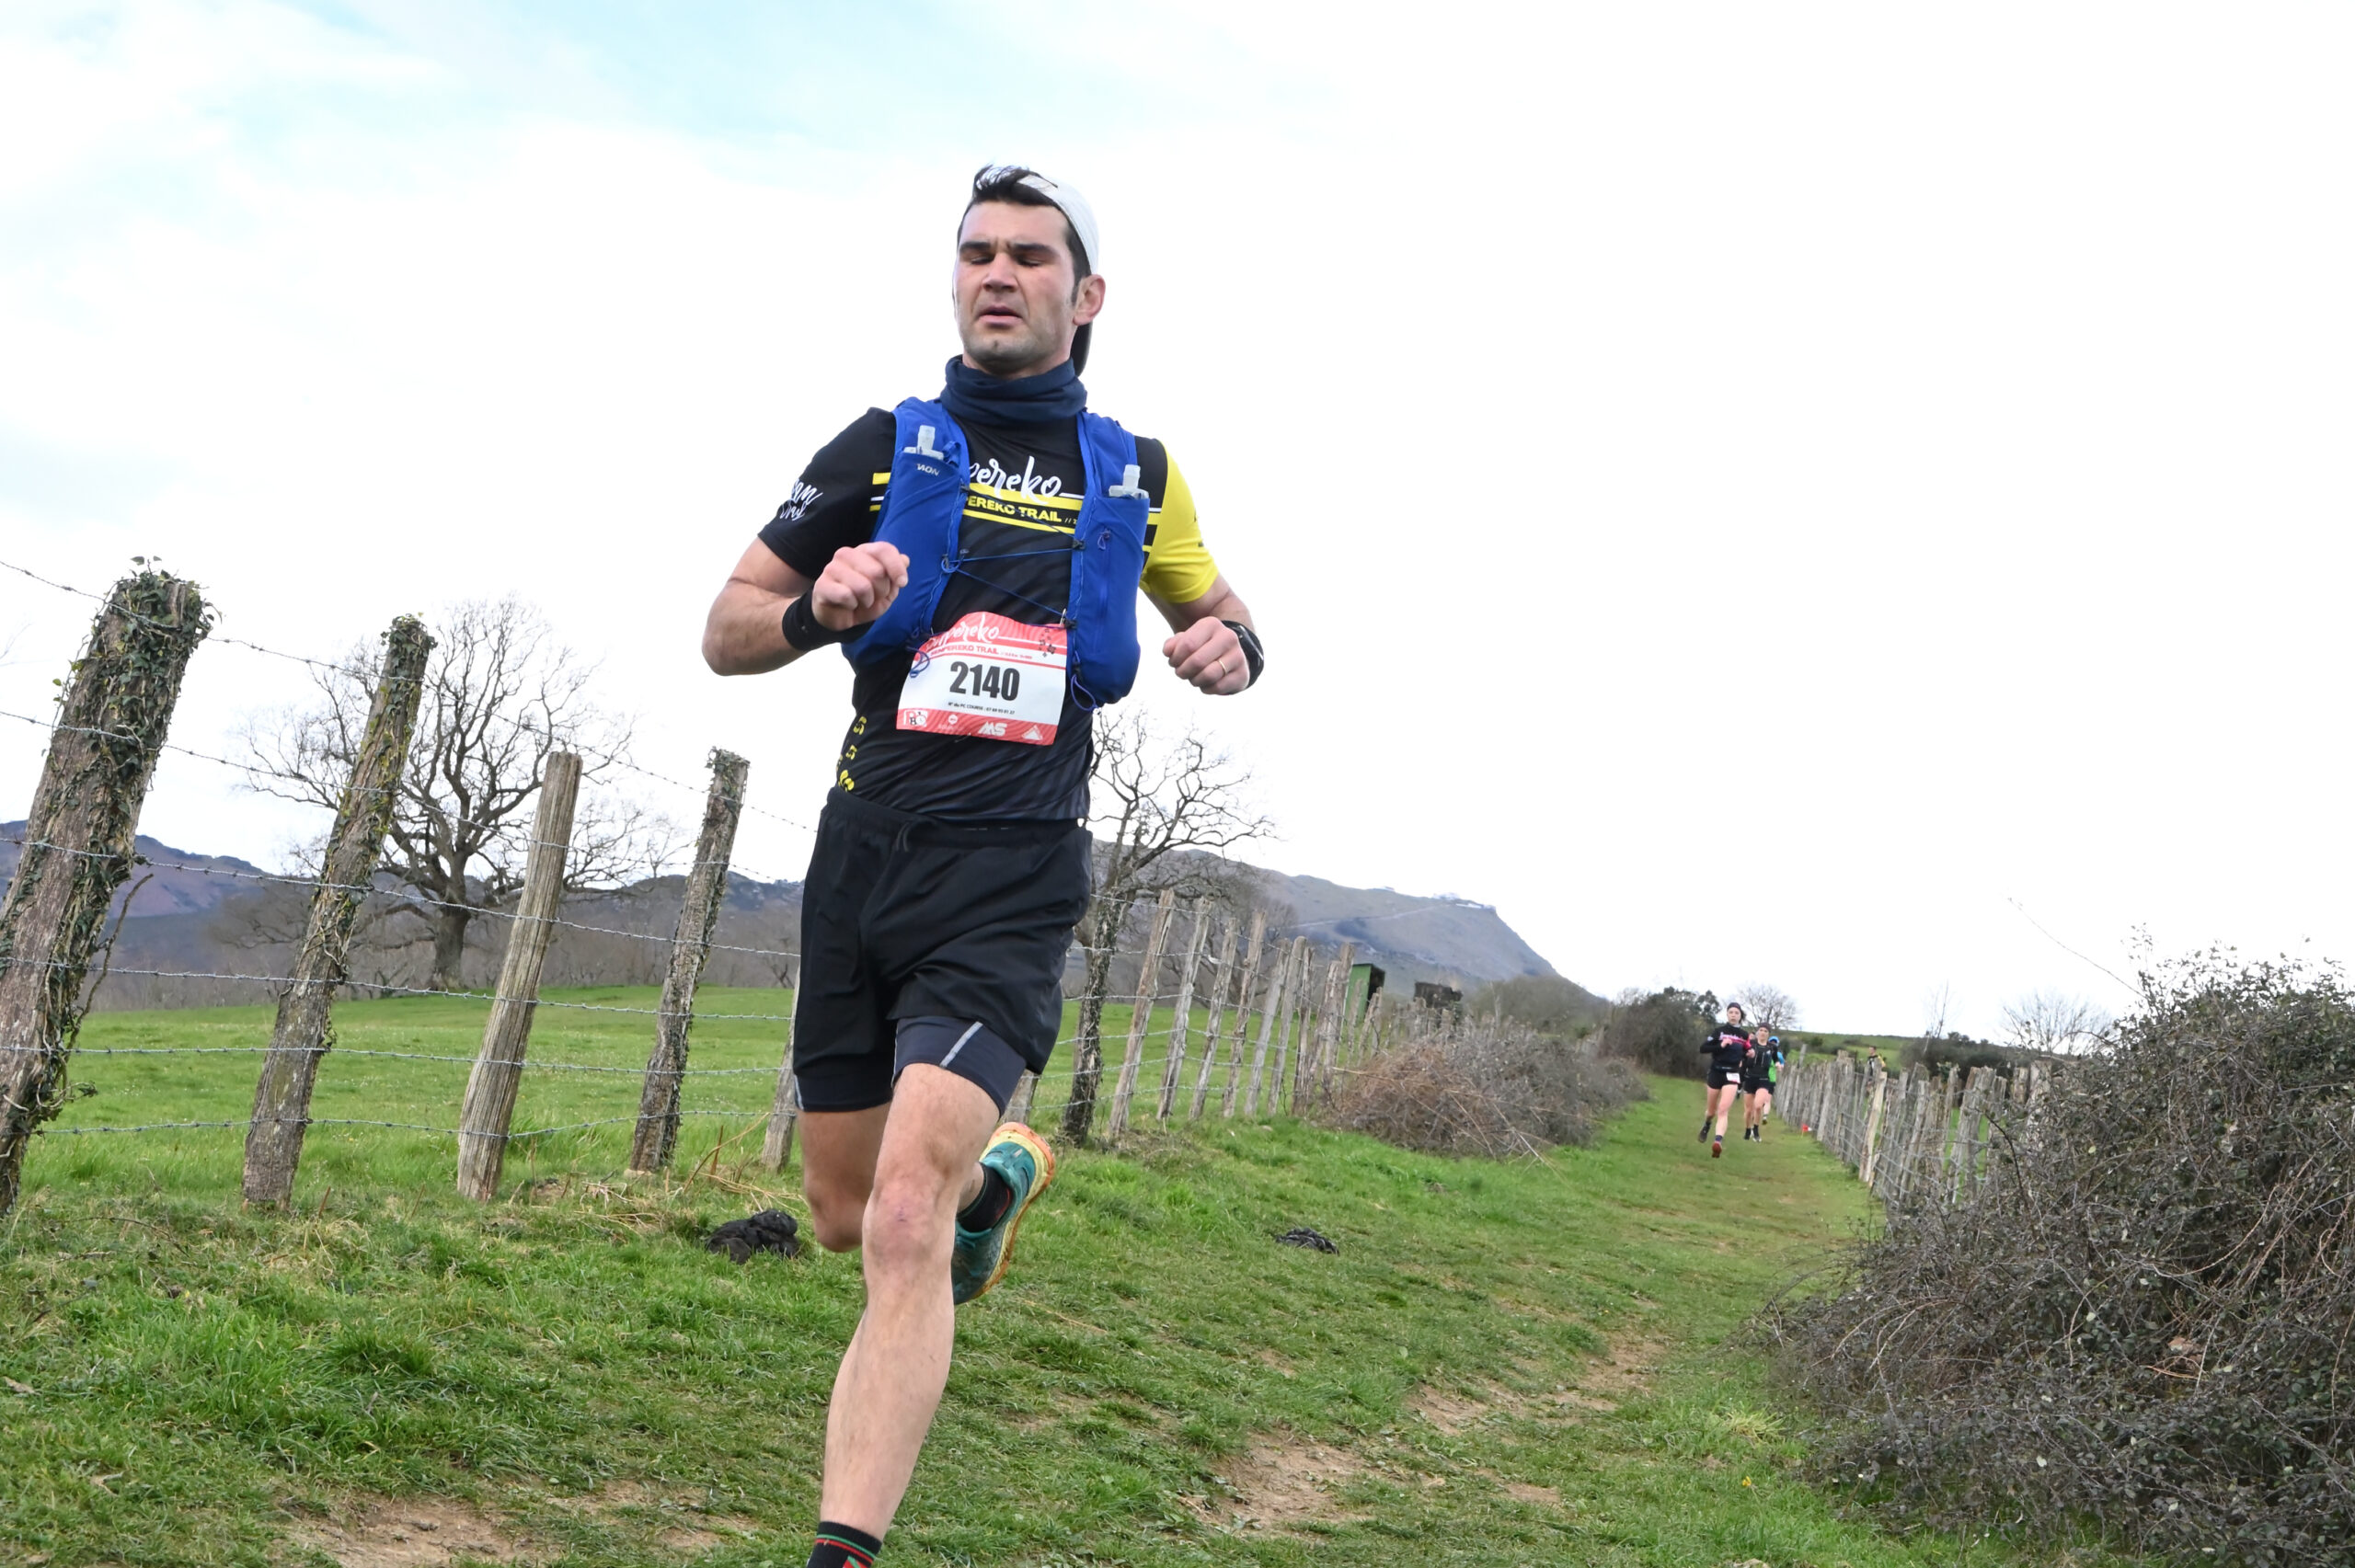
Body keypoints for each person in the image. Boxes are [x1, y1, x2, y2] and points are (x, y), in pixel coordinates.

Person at [699, 165, 1261, 1568]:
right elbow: (727, 625)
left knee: (903, 1215)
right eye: (976, 253)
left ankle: (842, 1549)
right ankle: (992, 1183)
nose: (996, 274)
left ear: (1088, 293)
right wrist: (818, 611)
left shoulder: (1138, 472)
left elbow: (1229, 615)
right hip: (864, 861)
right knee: (845, 1215)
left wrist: (1231, 649)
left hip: (1013, 877)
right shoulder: (884, 446)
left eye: (1028, 255)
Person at [1699, 1002, 1754, 1158]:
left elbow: (1746, 1052)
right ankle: (1707, 1124)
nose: (1733, 1015)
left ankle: (1718, 1142)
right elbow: (1703, 1048)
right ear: (1727, 1014)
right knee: (1711, 1112)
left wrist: (1750, 1054)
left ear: (1740, 1015)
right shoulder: (1719, 1031)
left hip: (1732, 1074)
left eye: (1736, 1012)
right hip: (1716, 1072)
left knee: (1723, 1110)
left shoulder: (1744, 1035)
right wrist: (1721, 1045)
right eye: (1731, 1012)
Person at [1741, 1033, 1784, 1140]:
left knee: (1758, 1106)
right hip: (1750, 1078)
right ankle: (1747, 1129)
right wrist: (1743, 1059)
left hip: (1764, 1079)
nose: (1763, 1032)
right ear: (1758, 1032)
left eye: (1765, 1030)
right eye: (1761, 1030)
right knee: (1748, 1110)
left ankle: (1755, 1129)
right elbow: (1742, 1054)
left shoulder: (1772, 1047)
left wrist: (1778, 1064)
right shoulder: (1751, 1044)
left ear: (1768, 1033)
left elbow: (1775, 1058)